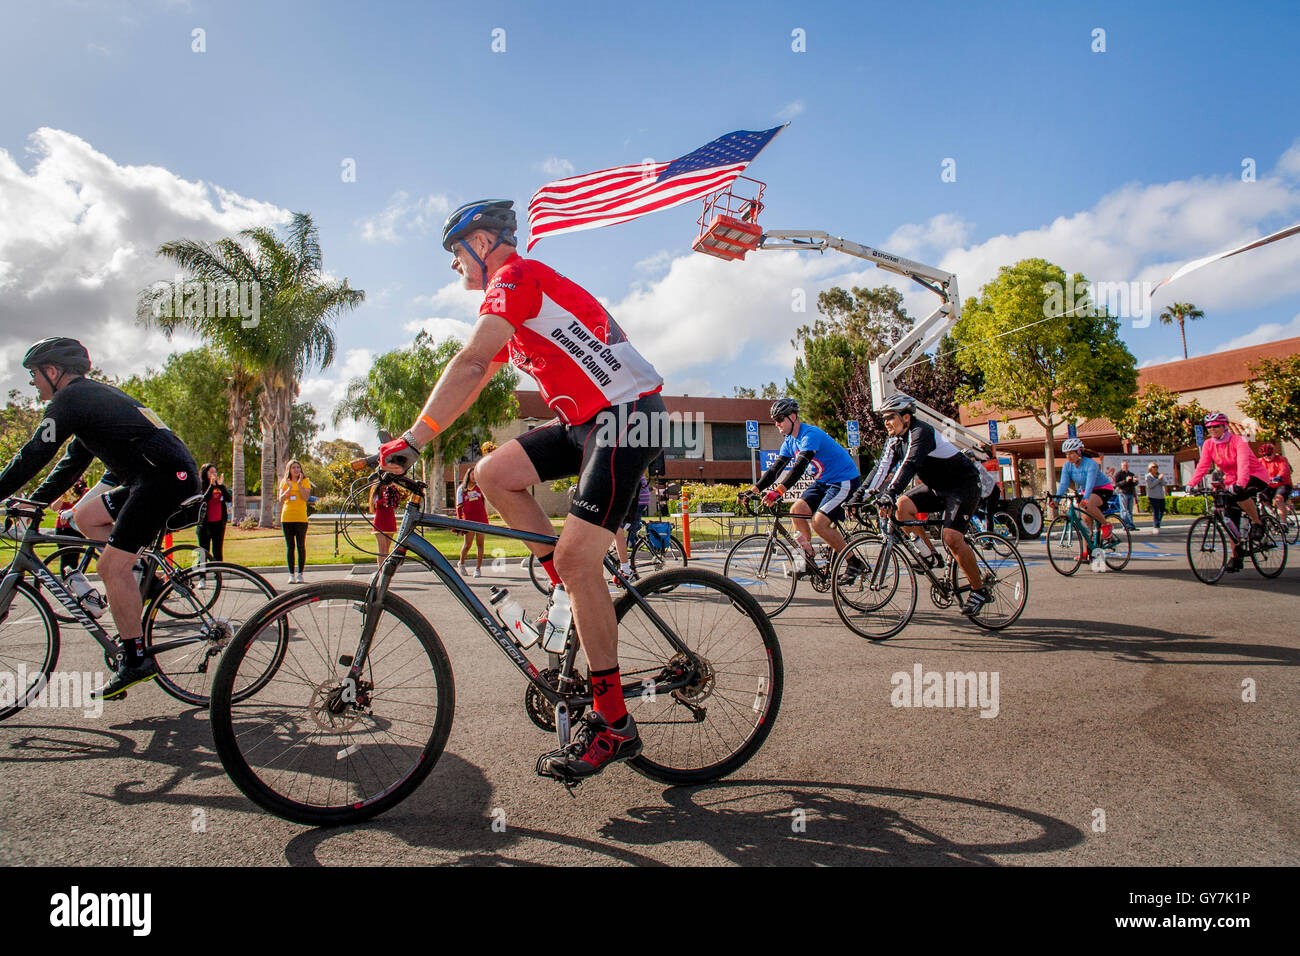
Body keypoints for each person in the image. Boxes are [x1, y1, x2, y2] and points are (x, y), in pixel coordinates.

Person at [374, 199, 665, 782]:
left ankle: (614, 725)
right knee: (492, 475)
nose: (455, 266)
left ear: (482, 244)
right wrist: (423, 439)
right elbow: (480, 375)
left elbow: (470, 360)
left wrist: (409, 440)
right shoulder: (517, 293)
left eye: (456, 253)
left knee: (582, 557)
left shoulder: (515, 277)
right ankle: (571, 591)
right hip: (587, 419)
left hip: (629, 414)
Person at [0, 337, 199, 699]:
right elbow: (69, 463)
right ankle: (145, 580)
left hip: (164, 480)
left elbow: (35, 452)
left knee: (111, 568)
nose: (32, 383)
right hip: (154, 478)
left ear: (53, 370)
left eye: (34, 374)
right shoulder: (86, 401)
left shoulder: (71, 399)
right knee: (84, 516)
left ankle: (136, 660)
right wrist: (36, 502)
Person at [857, 393, 992, 614]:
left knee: (951, 537)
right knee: (903, 507)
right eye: (883, 419)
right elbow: (881, 469)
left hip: (962, 486)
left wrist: (889, 493)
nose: (886, 423)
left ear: (906, 417)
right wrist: (859, 497)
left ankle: (979, 590)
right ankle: (930, 556)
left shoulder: (921, 433)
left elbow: (909, 465)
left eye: (890, 417)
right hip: (937, 487)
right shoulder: (895, 440)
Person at [750, 398, 862, 581]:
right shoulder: (789, 442)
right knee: (796, 510)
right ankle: (807, 557)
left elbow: (799, 467)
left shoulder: (810, 435)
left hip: (843, 480)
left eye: (780, 419)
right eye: (774, 420)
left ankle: (854, 562)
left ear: (793, 417)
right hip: (823, 482)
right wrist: (753, 490)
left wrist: (778, 491)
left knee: (819, 523)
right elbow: (774, 470)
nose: (777, 424)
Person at [1188, 412, 1270, 572]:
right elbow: (1203, 466)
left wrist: (1240, 483)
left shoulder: (1238, 441)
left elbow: (1243, 464)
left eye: (1216, 426)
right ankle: (1236, 556)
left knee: (1240, 494)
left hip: (1254, 476)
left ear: (1224, 426)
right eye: (1209, 427)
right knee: (1229, 518)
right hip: (1232, 480)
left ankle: (1257, 522)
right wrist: (1191, 484)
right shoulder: (1209, 445)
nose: (1212, 429)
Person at [1049, 438, 1117, 552]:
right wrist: (1056, 500)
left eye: (1071, 453)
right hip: (1087, 491)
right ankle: (1086, 552)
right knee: (1086, 522)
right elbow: (1063, 484)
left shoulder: (1091, 464)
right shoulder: (1067, 466)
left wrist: (1085, 500)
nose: (1068, 456)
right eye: (1066, 454)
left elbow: (1090, 484)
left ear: (1079, 452)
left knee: (1088, 504)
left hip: (1102, 489)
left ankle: (1106, 526)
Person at [612, 472, 651, 582]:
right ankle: (618, 549)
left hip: (636, 499)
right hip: (635, 497)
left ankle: (626, 570)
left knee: (616, 529)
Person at [279, 459, 312, 583]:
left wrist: (298, 485)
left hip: (301, 518)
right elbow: (280, 499)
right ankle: (291, 574)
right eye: (294, 468)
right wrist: (288, 490)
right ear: (289, 469)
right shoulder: (284, 482)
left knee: (300, 546)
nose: (296, 470)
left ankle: (300, 574)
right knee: (290, 547)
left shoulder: (305, 481)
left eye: (298, 467)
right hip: (287, 517)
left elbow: (305, 497)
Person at [454, 465, 487, 576]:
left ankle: (478, 569)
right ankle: (461, 563)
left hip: (481, 519)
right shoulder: (462, 489)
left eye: (475, 474)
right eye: (472, 474)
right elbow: (459, 507)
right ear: (468, 475)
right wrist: (460, 522)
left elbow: (483, 502)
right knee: (467, 545)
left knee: (480, 544)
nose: (473, 476)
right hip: (469, 520)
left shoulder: (480, 488)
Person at [197, 463, 231, 561]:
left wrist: (221, 486)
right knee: (203, 552)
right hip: (205, 524)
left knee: (217, 551)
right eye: (211, 472)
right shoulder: (201, 486)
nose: (214, 474)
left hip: (219, 523)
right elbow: (203, 500)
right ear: (205, 473)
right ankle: (202, 575)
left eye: (215, 472)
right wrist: (211, 486)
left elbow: (228, 499)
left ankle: (218, 574)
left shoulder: (219, 486)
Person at [1258, 443, 1293, 524]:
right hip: (1269, 485)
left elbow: (1284, 470)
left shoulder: (1281, 459)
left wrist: (1279, 477)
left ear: (1273, 453)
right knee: (1262, 499)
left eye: (1269, 454)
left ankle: (1283, 523)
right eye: (1264, 455)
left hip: (1282, 484)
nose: (1267, 457)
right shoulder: (1260, 461)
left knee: (1279, 499)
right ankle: (1272, 515)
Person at [370, 480, 401, 566]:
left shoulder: (392, 489)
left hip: (390, 521)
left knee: (387, 550)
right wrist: (384, 500)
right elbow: (374, 502)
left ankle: (385, 572)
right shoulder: (377, 488)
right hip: (380, 522)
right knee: (382, 549)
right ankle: (381, 572)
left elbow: (395, 503)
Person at [1113, 461, 1139, 532]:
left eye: (1126, 465)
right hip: (1123, 493)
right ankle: (1125, 525)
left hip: (1130, 493)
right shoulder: (1119, 474)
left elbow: (1134, 484)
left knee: (1129, 510)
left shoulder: (1131, 474)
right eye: (1124, 466)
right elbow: (1117, 484)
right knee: (1124, 510)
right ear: (1121, 466)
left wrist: (1135, 481)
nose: (1125, 467)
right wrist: (1125, 481)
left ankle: (1131, 525)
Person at [1143, 462, 1168, 532]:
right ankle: (1156, 525)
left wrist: (1161, 479)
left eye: (1156, 467)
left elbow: (1164, 483)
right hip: (1153, 496)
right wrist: (1158, 480)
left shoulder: (1159, 475)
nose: (1155, 468)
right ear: (1150, 468)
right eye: (1154, 467)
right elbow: (1150, 485)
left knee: (1162, 510)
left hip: (1161, 496)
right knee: (1156, 511)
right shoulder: (1148, 476)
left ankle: (1158, 522)